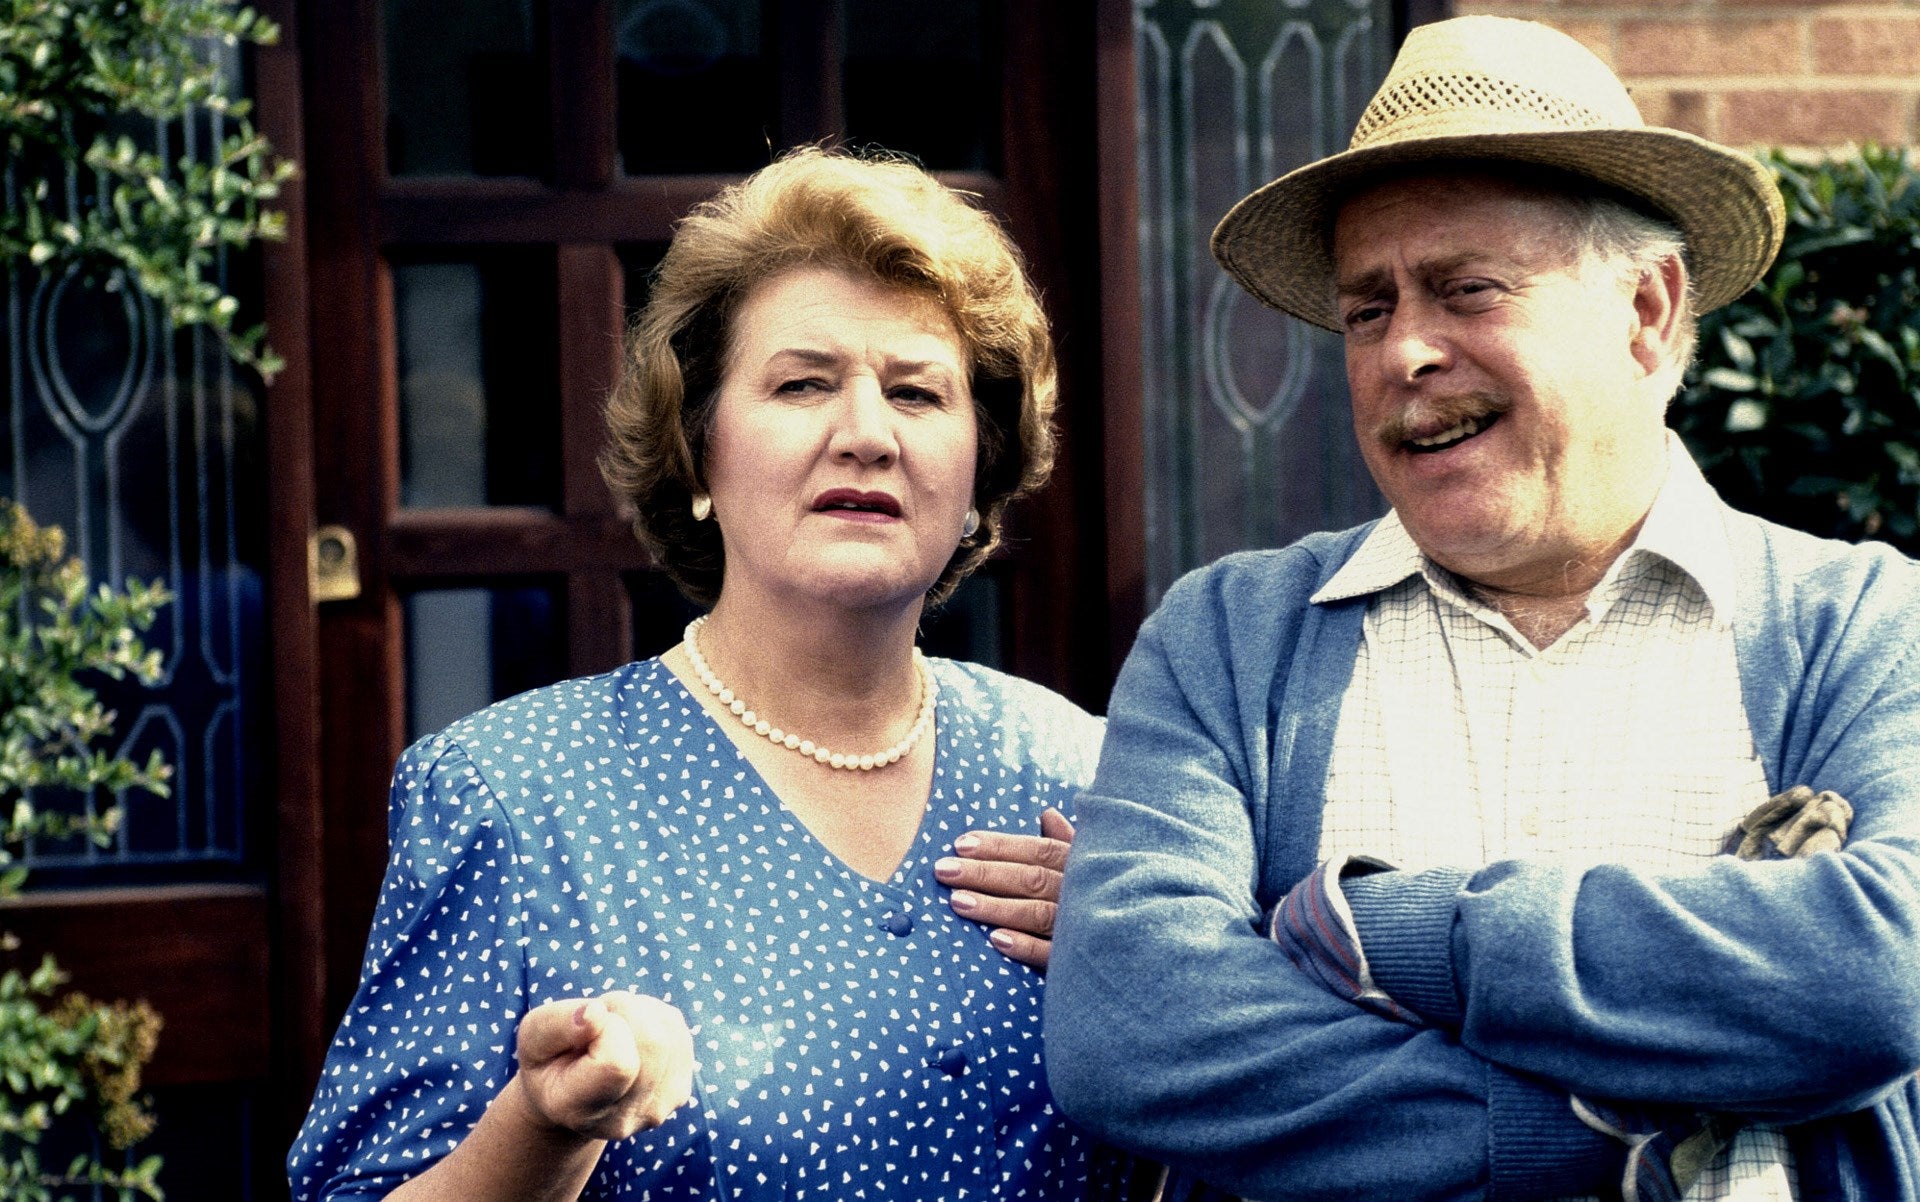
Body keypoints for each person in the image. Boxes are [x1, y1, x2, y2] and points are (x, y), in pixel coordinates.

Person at [1047, 15, 1920, 1202]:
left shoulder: (1860, 624)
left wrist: (1397, 934)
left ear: (1649, 311)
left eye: (1468, 289)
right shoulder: (1230, 640)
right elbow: (1132, 1026)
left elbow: (1881, 978)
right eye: (1367, 309)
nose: (1405, 350)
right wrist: (1610, 1129)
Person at [290, 147, 1104, 1201]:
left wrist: (1173, 975)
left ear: (979, 469)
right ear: (698, 451)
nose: (866, 433)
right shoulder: (515, 797)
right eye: (803, 382)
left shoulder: (1077, 772)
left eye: (917, 391)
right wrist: (546, 1122)